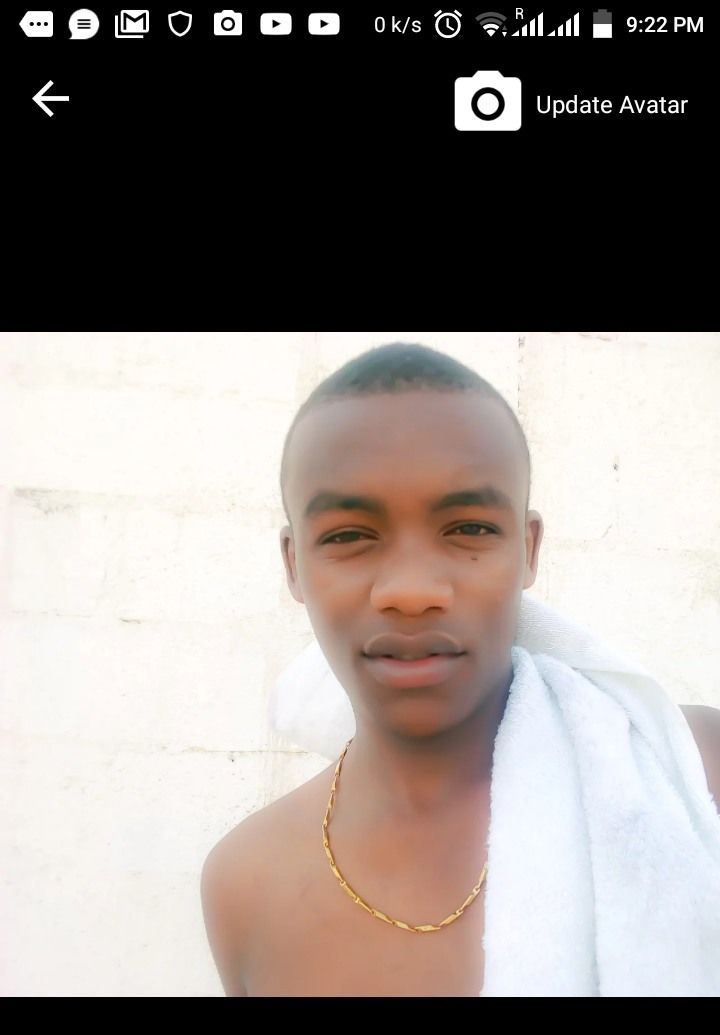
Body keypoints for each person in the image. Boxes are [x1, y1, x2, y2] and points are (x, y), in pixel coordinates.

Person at [201, 342, 720, 997]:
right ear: (293, 565)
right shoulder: (245, 884)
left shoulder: (689, 772)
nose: (412, 591)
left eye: (469, 528)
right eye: (348, 535)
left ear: (527, 550)